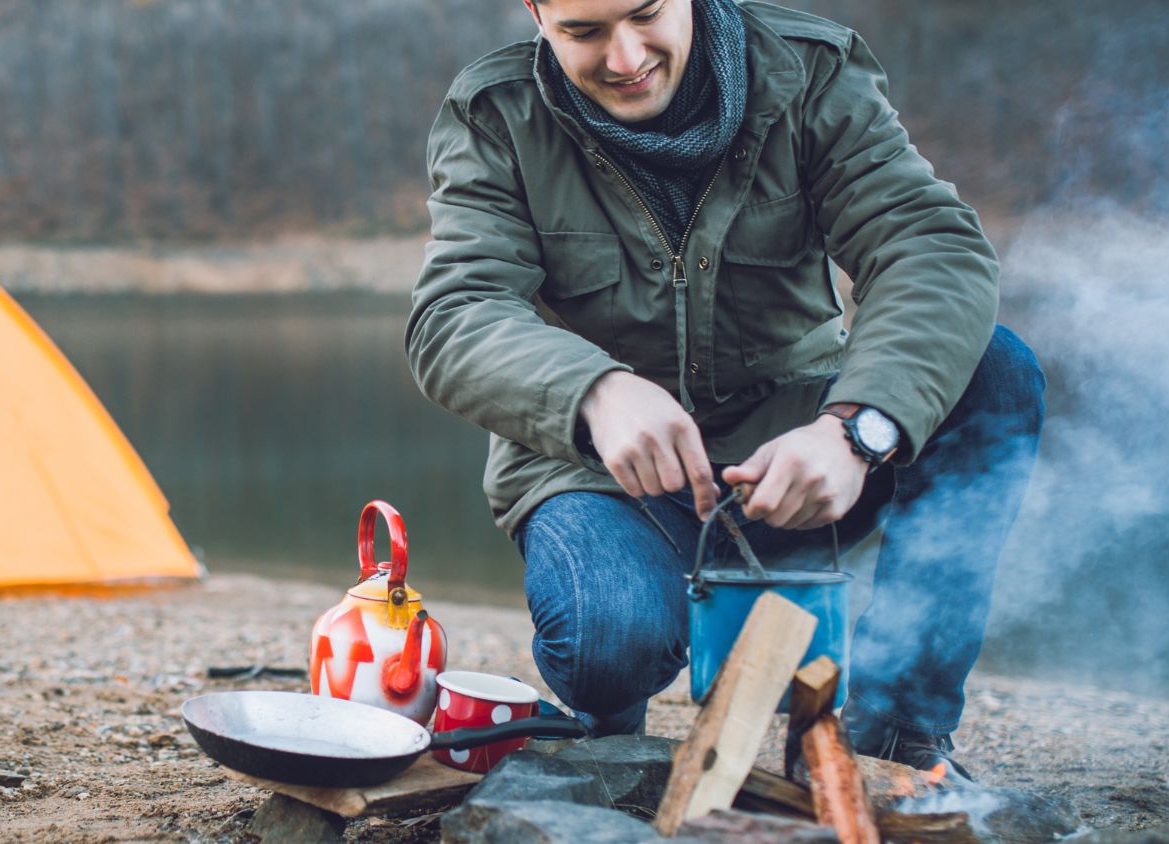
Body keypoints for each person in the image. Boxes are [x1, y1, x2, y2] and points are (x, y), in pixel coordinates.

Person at [404, 0, 1045, 782]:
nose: (624, 56)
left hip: (796, 448)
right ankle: (610, 739)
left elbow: (929, 247)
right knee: (610, 639)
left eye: (644, 15)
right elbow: (455, 313)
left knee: (998, 372)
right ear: (537, 12)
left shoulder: (810, 72)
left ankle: (899, 736)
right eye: (585, 31)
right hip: (600, 471)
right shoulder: (494, 111)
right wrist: (595, 391)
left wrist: (856, 428)